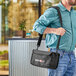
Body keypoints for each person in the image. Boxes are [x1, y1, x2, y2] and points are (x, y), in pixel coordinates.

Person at [33, 0, 76, 76]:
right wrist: (55, 31)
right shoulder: (53, 11)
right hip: (57, 55)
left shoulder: (73, 13)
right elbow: (36, 26)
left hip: (72, 55)